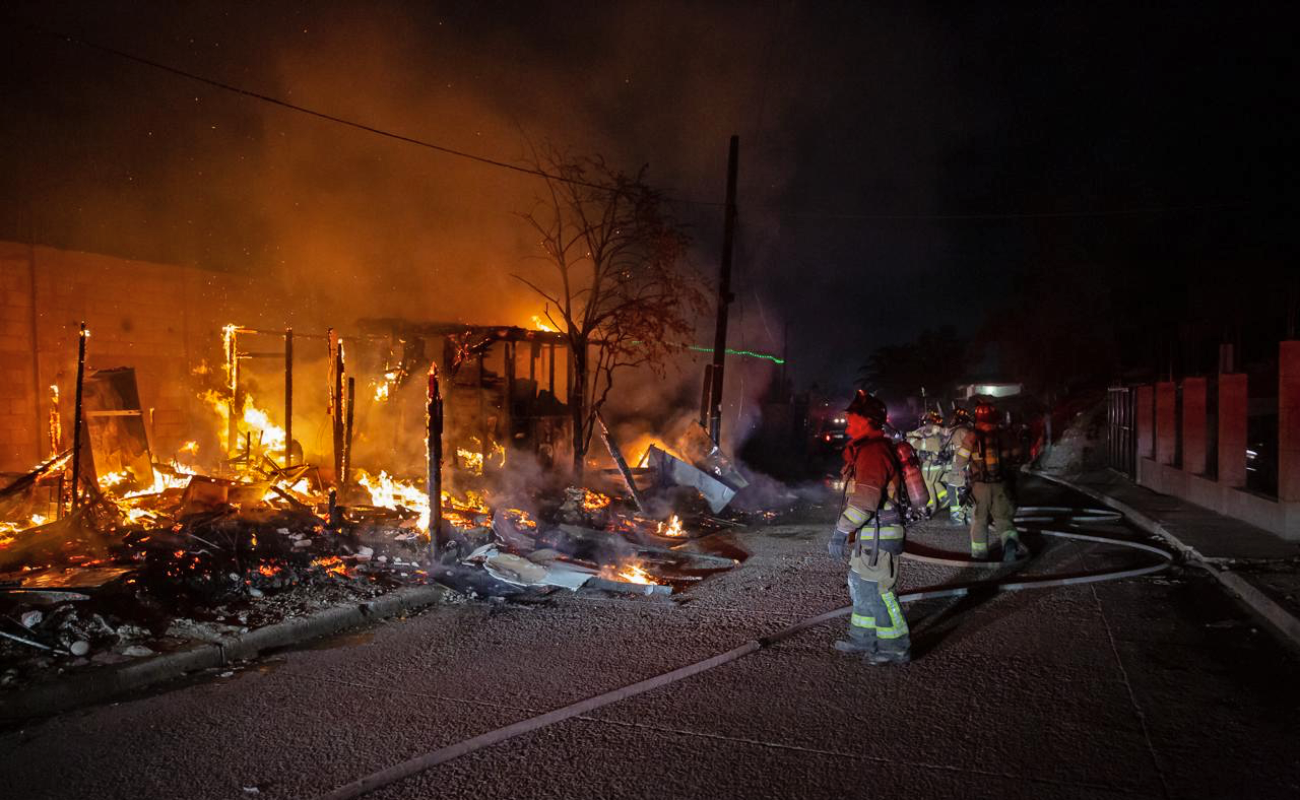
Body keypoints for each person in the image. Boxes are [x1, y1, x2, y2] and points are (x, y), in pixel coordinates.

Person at [828, 390, 911, 665]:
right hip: (869, 535)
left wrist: (841, 532)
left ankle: (895, 646)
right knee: (862, 588)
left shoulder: (874, 452)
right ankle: (862, 637)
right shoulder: (866, 449)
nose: (848, 421)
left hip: (880, 536)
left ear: (866, 420)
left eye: (852, 416)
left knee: (880, 592)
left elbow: (865, 502)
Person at [951, 399, 1024, 561]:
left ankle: (979, 554)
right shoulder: (1005, 434)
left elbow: (960, 462)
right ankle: (1010, 543)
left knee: (979, 520)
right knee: (1004, 518)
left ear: (977, 418)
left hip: (980, 486)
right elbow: (1019, 456)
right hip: (1002, 484)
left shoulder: (972, 436)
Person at [907, 410, 947, 515]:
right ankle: (944, 496)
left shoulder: (933, 437)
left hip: (930, 466)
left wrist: (910, 440)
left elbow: (920, 444)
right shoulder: (939, 433)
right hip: (937, 464)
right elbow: (918, 433)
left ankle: (931, 507)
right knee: (935, 482)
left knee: (928, 484)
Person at [941, 406, 974, 524]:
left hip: (959, 469)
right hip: (959, 468)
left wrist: (962, 468)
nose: (951, 420)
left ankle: (957, 519)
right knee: (963, 491)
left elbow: (963, 453)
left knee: (955, 491)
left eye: (954, 418)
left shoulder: (960, 432)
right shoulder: (964, 431)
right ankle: (969, 517)